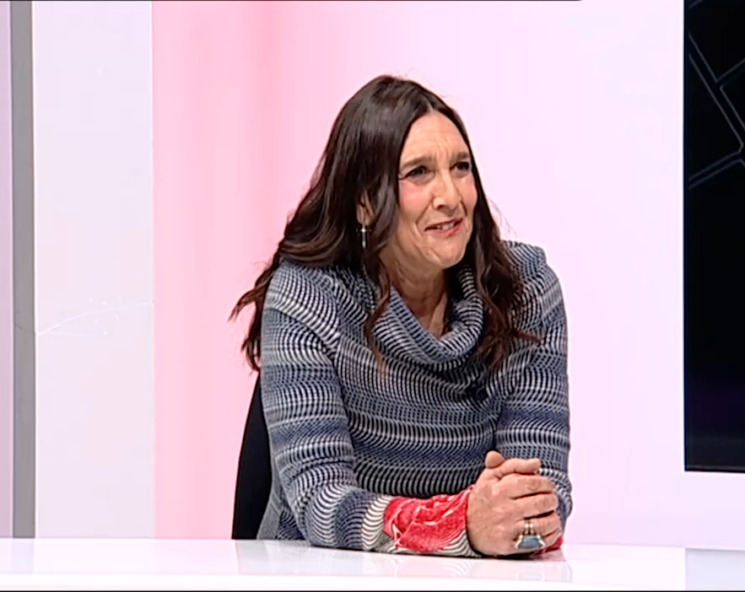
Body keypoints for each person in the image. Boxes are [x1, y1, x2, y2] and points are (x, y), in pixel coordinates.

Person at [230, 74, 572, 558]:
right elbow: (321, 503)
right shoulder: (307, 297)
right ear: (364, 203)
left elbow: (540, 490)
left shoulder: (526, 291)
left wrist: (521, 518)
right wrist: (459, 525)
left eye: (461, 167)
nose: (451, 196)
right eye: (418, 173)